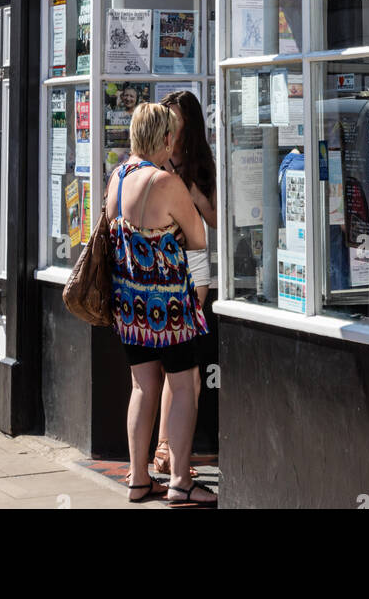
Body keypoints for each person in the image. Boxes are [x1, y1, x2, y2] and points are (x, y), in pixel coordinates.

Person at [106, 102, 217, 508]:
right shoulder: (166, 183)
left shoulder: (117, 177)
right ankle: (181, 481)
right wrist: (200, 300)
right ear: (165, 138)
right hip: (169, 307)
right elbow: (197, 243)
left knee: (142, 385)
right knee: (185, 386)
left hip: (129, 306)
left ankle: (137, 480)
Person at [152, 89, 218, 477]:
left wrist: (186, 188)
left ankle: (171, 453)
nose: (171, 130)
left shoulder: (200, 165)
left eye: (176, 122)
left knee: (186, 372)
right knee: (175, 372)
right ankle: (169, 453)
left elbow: (214, 220)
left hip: (193, 271)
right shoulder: (155, 161)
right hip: (158, 271)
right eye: (166, 121)